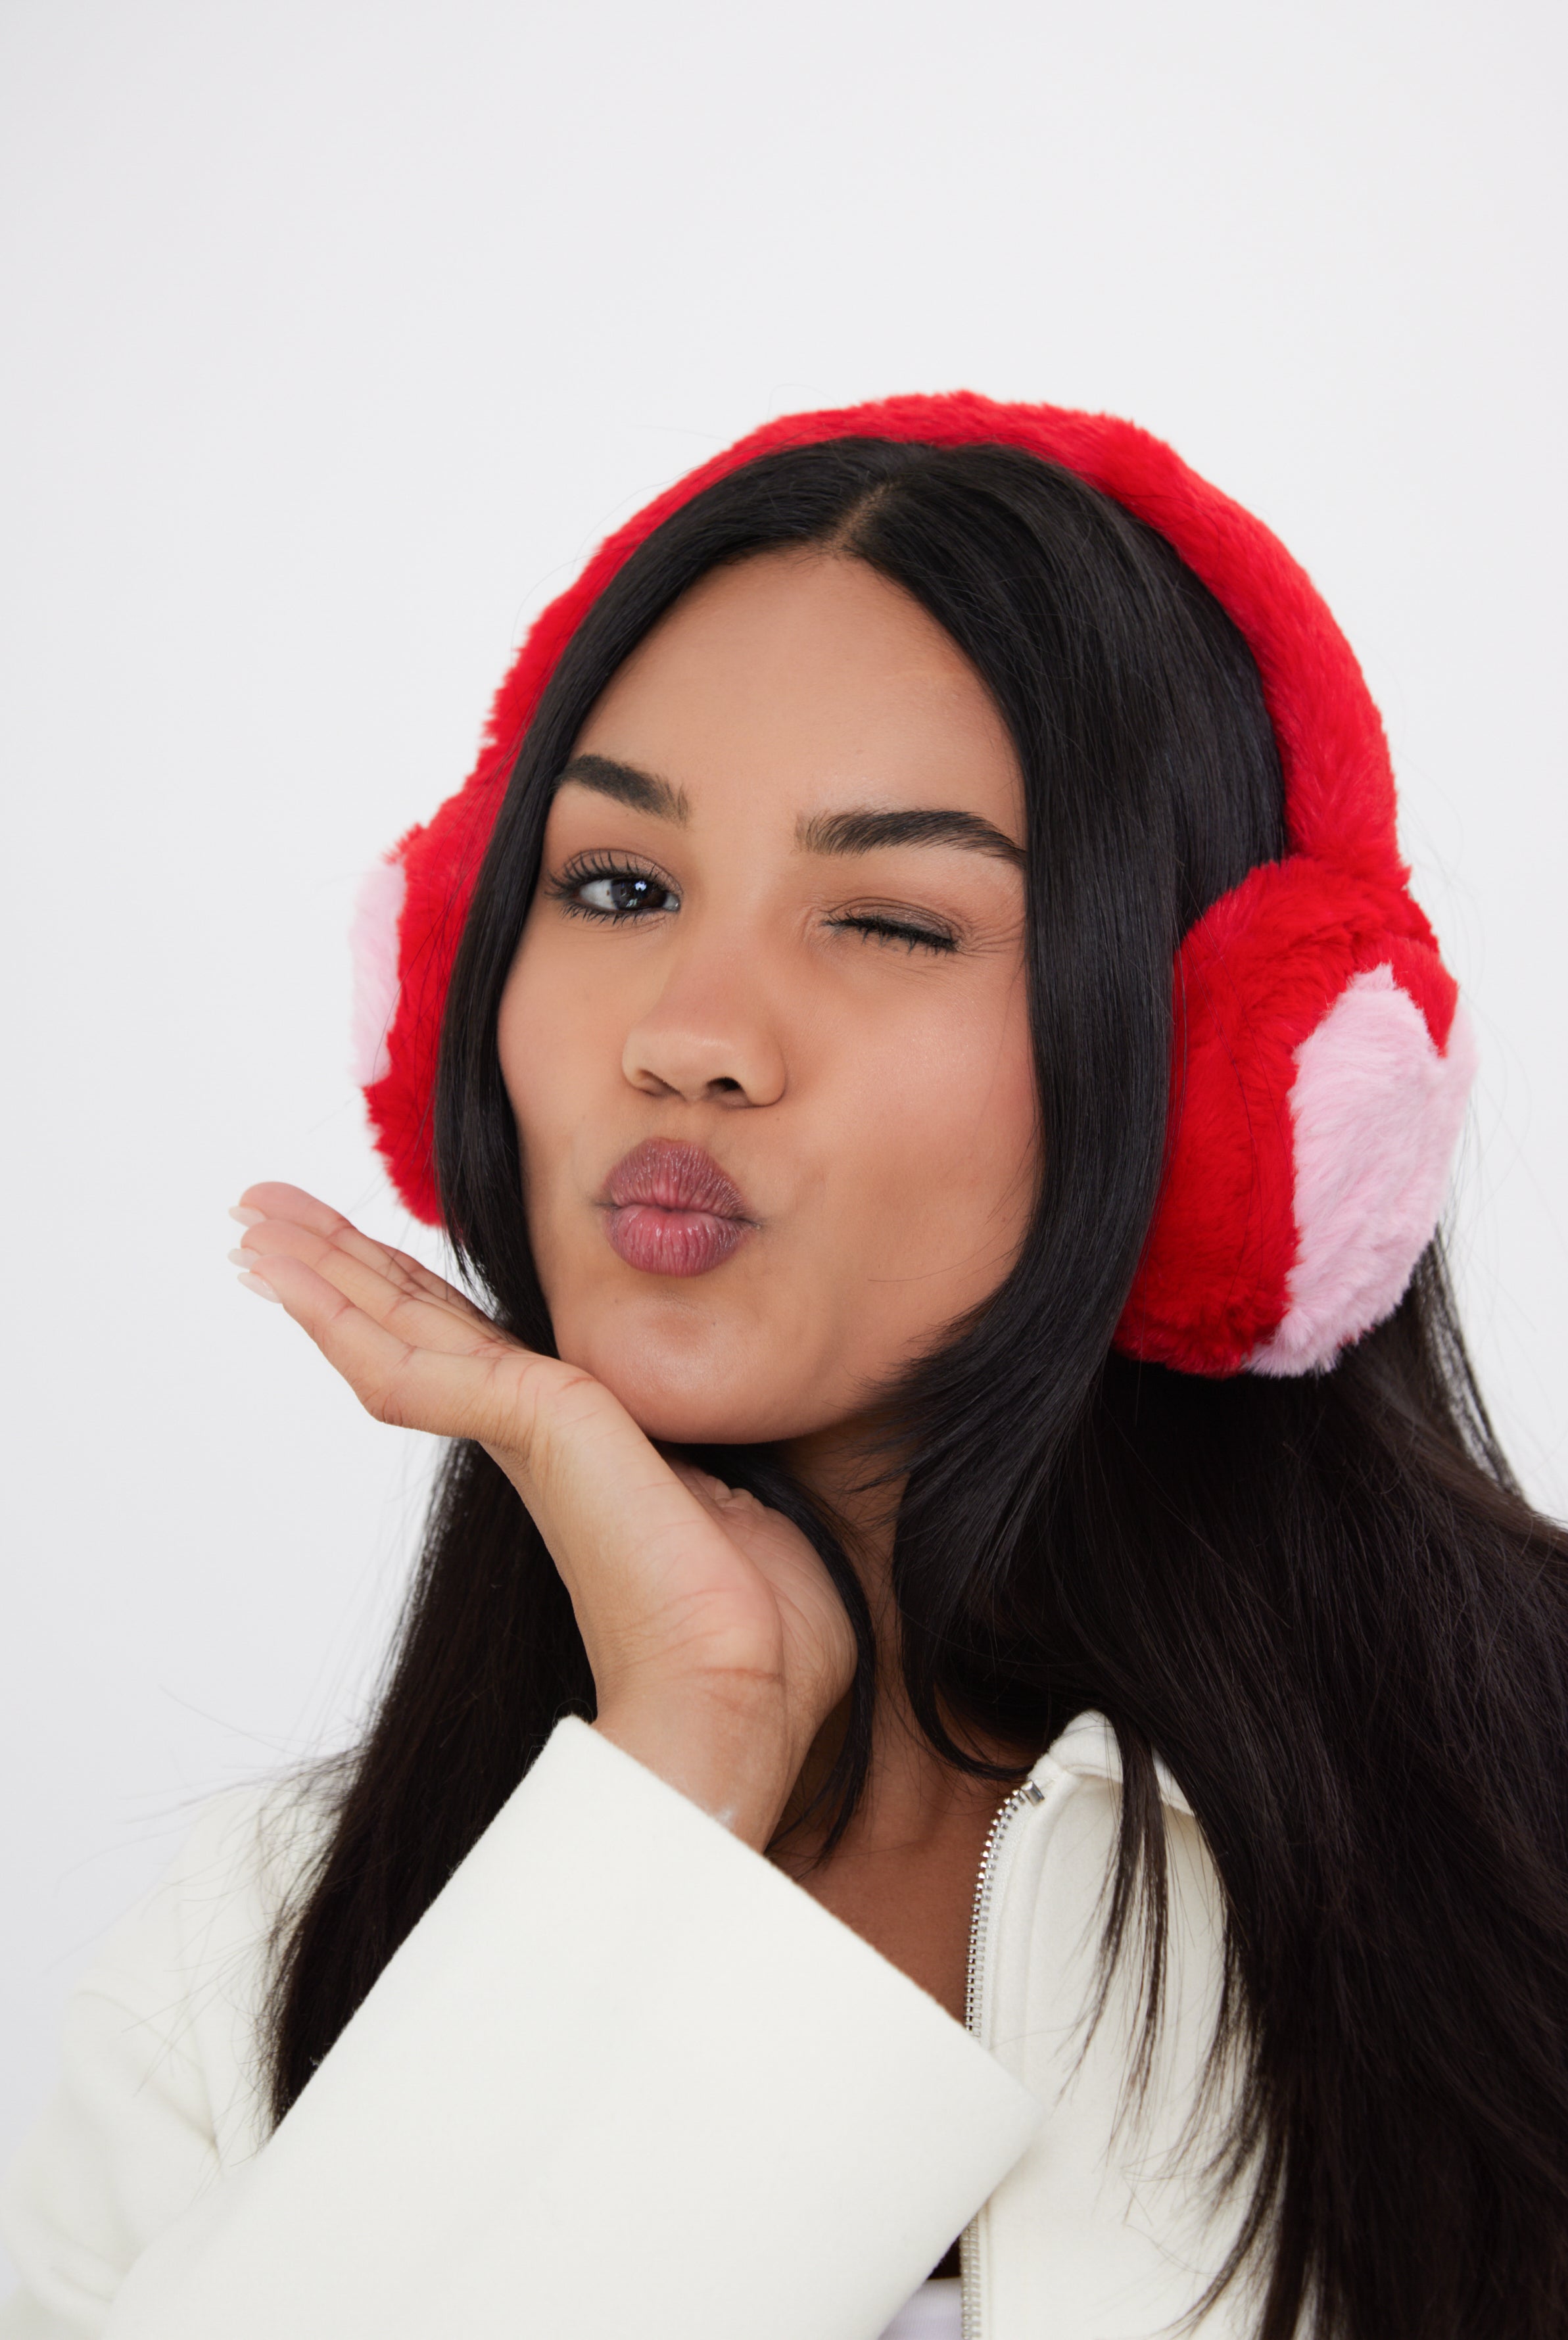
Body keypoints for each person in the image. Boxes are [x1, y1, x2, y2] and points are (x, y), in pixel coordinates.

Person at [3, 395, 1565, 2340]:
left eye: (892, 918)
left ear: (1245, 1080)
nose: (690, 1036)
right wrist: (667, 1786)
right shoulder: (243, 1961)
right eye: (618, 888)